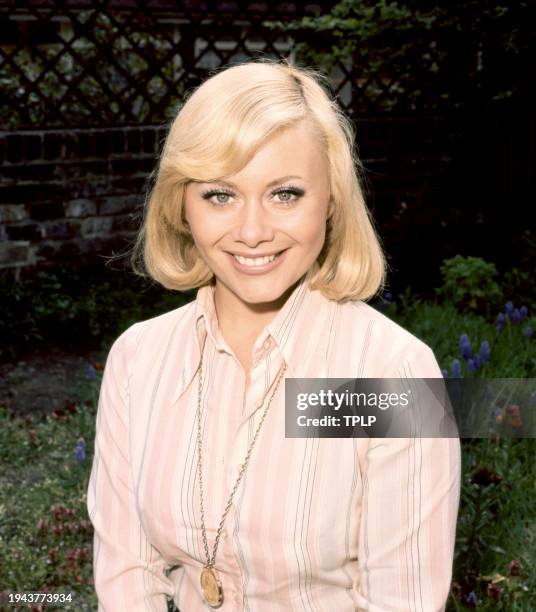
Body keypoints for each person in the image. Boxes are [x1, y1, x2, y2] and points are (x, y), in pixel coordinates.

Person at [87, 58, 461, 611]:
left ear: (331, 202)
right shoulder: (138, 360)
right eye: (220, 194)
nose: (253, 231)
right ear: (181, 206)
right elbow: (126, 580)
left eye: (285, 193)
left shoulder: (391, 376)